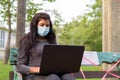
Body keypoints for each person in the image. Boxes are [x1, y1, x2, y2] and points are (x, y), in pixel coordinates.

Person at [16, 12, 75, 80]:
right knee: (54, 78)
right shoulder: (26, 40)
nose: (45, 27)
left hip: (51, 73)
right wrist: (37, 69)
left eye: (47, 25)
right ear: (35, 25)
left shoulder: (51, 40)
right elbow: (19, 67)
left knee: (68, 77)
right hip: (33, 75)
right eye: (42, 25)